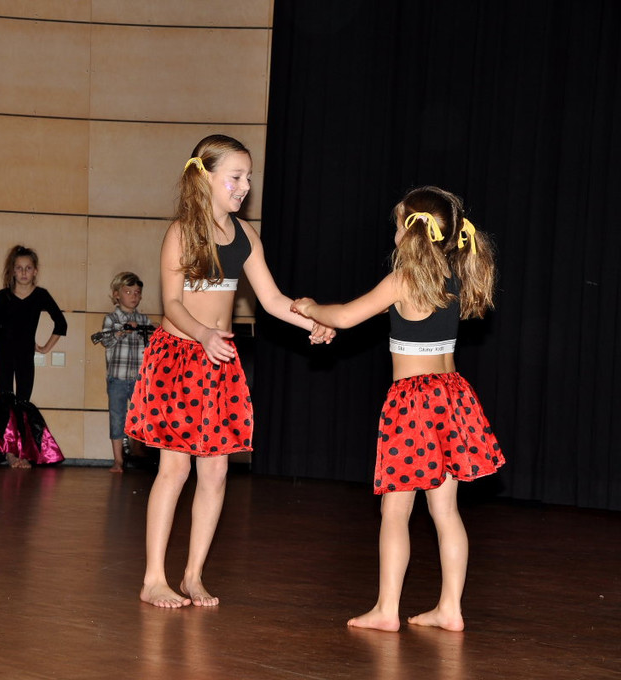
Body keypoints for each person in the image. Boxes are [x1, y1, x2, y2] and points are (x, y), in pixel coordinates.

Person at [127, 134, 334, 608]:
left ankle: (193, 575)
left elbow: (274, 300)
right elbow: (172, 303)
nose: (245, 186)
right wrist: (203, 334)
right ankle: (153, 578)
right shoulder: (182, 233)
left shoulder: (244, 237)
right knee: (174, 468)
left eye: (248, 178)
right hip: (179, 357)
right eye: (236, 177)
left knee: (217, 470)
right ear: (205, 178)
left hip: (218, 362)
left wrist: (315, 322)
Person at [291, 185, 504, 632]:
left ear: (409, 231)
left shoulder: (403, 280)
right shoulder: (453, 275)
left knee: (395, 511)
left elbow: (345, 316)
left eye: (396, 225)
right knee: (445, 511)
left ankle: (387, 610)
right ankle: (450, 608)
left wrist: (311, 307)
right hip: (452, 395)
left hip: (414, 402)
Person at [0, 245, 66, 468]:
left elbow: (61, 323)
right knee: (7, 403)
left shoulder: (41, 295)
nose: (24, 272)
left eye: (28, 268)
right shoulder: (3, 296)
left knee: (23, 404)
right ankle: (10, 453)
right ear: (13, 271)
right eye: (19, 268)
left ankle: (24, 453)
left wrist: (45, 348)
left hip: (26, 355)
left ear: (35, 271)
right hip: (4, 356)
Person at [93, 272, 154, 472]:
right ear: (117, 295)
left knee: (143, 416)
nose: (133, 296)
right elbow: (106, 341)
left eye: (137, 292)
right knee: (117, 417)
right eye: (128, 292)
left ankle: (140, 454)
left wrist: (152, 331)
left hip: (139, 380)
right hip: (117, 378)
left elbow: (151, 346)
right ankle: (118, 460)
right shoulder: (111, 319)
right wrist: (122, 330)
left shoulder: (144, 320)